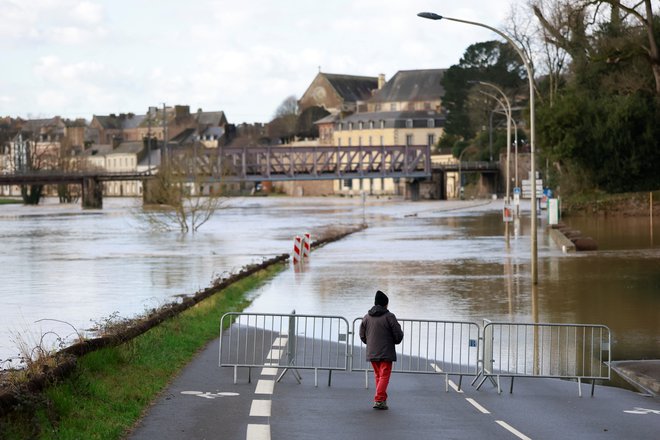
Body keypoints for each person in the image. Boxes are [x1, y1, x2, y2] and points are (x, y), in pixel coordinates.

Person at [359, 290, 404, 410]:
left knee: (378, 376)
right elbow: (398, 335)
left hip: (372, 351)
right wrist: (395, 340)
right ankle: (379, 400)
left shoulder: (367, 317)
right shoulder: (389, 316)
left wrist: (370, 344)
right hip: (386, 352)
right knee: (384, 376)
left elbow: (362, 335)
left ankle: (382, 400)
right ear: (385, 304)